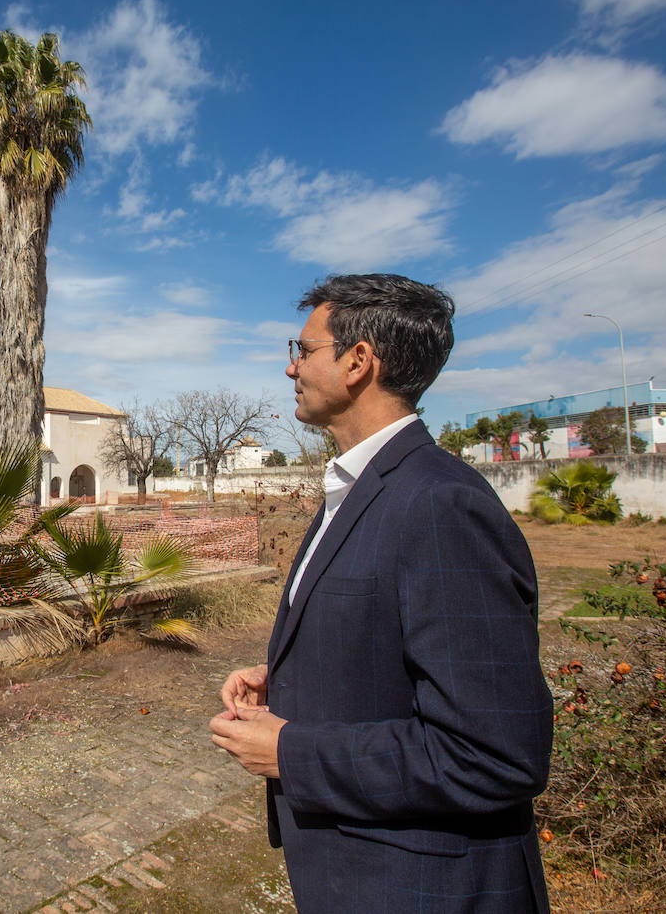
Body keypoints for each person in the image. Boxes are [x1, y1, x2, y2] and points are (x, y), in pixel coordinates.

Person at [210, 274, 553, 913]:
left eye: (305, 349)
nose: (291, 366)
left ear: (359, 361)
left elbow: (494, 754)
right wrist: (291, 678)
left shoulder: (439, 504)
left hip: (424, 890)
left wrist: (291, 749)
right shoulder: (362, 487)